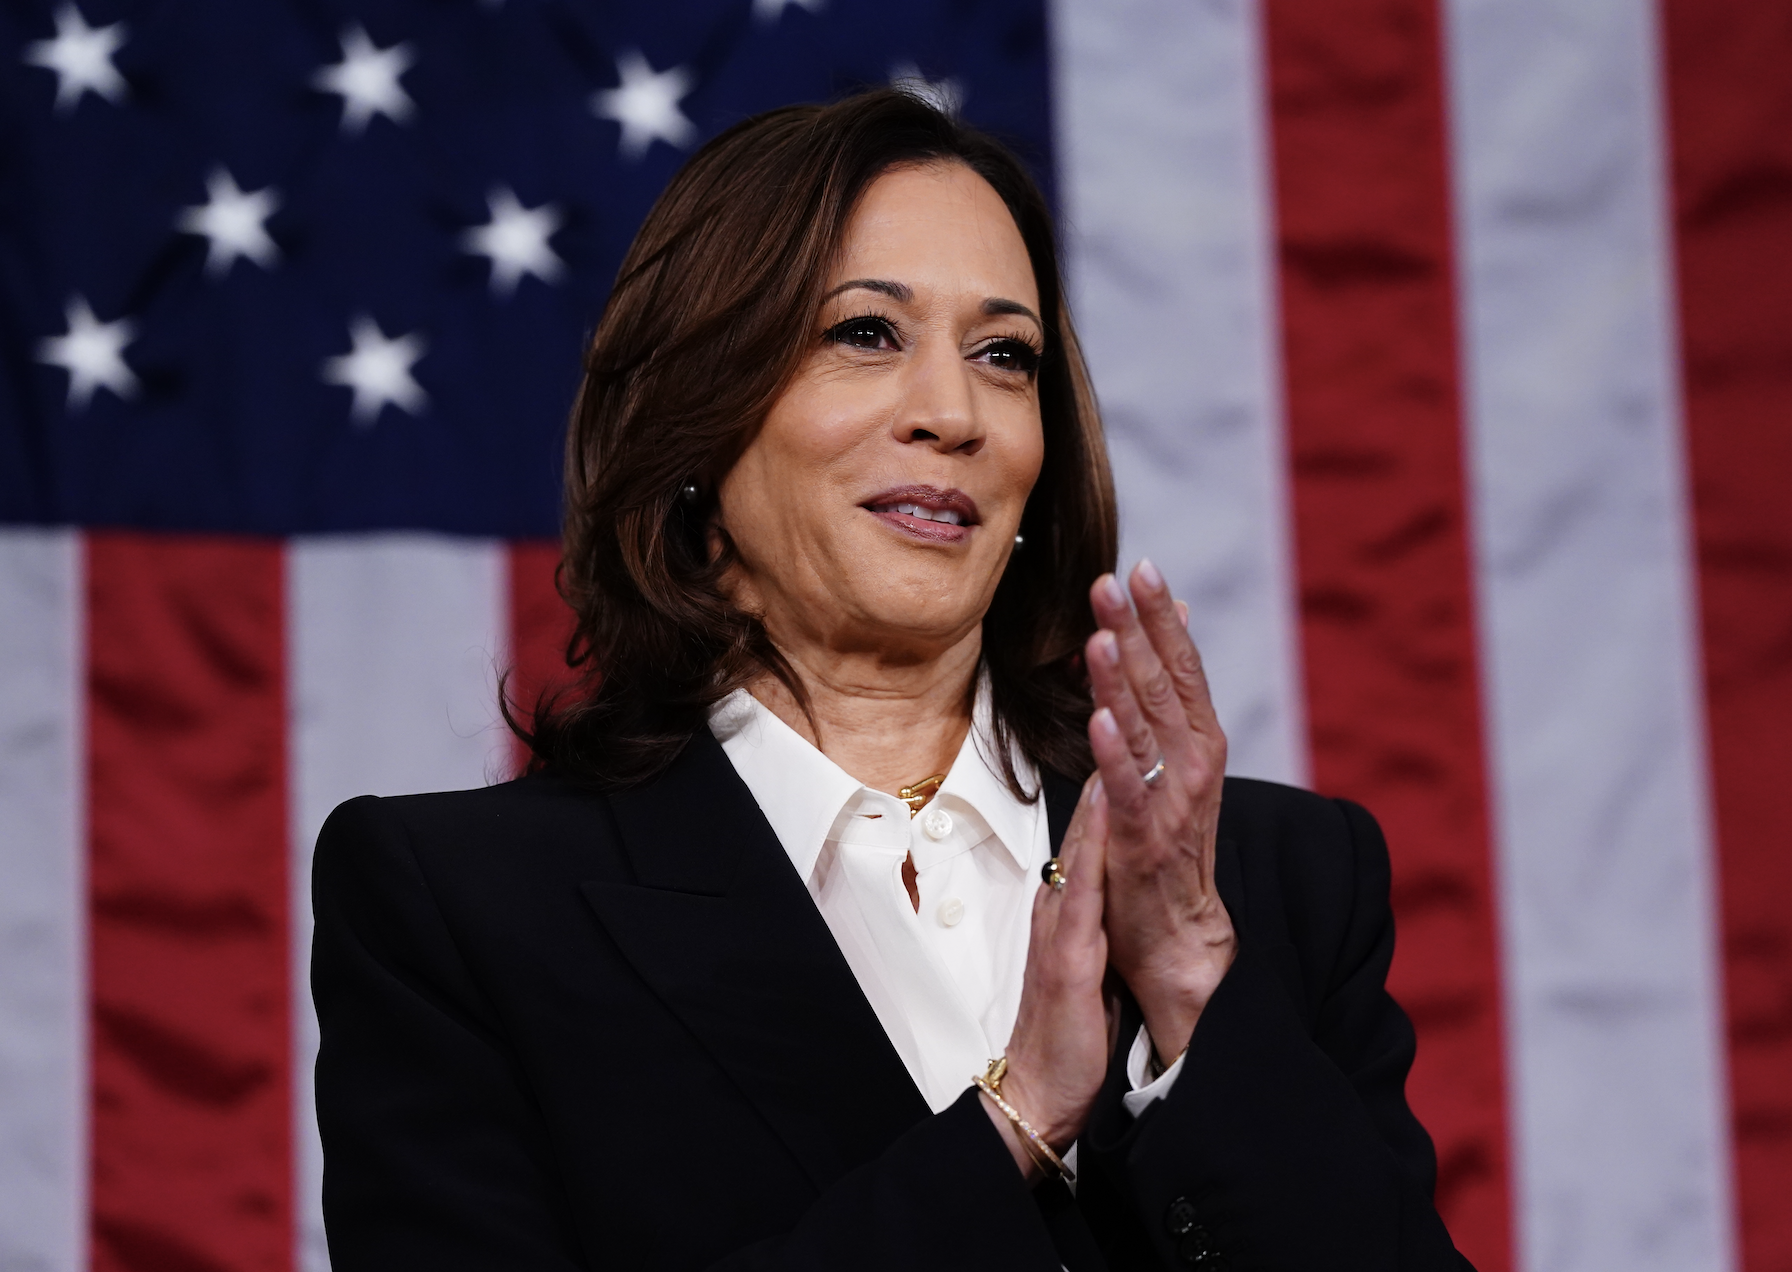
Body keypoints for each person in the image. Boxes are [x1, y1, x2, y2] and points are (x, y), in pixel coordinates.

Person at [311, 88, 1473, 1271]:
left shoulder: (1272, 883)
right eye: (865, 333)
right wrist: (1012, 1122)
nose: (953, 412)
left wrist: (1189, 1004)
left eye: (1004, 355)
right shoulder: (463, 908)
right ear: (698, 419)